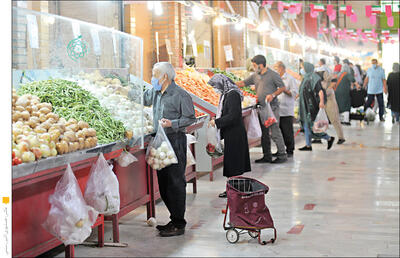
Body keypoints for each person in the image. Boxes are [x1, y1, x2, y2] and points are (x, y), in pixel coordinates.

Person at [140, 62, 196, 237]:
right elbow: (142, 99)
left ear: (165, 76)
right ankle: (173, 219)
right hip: (160, 141)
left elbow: (190, 119)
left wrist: (173, 123)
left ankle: (179, 223)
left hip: (175, 140)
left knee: (176, 182)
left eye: (155, 73)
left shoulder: (181, 95)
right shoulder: (155, 92)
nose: (152, 77)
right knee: (163, 182)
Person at [236, 55, 288, 163]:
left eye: (255, 65)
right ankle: (267, 155)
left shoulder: (273, 75)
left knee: (275, 131)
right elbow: (243, 83)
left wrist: (273, 95)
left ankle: (282, 154)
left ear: (260, 65)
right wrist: (229, 84)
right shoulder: (255, 75)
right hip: (261, 108)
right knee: (264, 133)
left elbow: (282, 87)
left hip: (272, 108)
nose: (254, 68)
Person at [208, 74, 251, 198]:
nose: (215, 89)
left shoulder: (232, 95)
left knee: (234, 163)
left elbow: (233, 115)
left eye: (216, 86)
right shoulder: (226, 94)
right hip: (230, 132)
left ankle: (234, 190)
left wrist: (216, 122)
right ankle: (232, 189)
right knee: (231, 163)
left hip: (234, 133)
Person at [298, 62, 335, 151]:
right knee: (307, 125)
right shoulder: (306, 77)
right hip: (305, 105)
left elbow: (320, 91)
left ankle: (328, 138)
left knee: (312, 126)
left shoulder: (314, 78)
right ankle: (308, 145)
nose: (302, 69)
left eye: (302, 67)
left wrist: (322, 102)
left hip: (311, 106)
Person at [273, 61, 298, 157]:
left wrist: (284, 90)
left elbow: (294, 93)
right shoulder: (275, 78)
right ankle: (281, 149)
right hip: (277, 109)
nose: (276, 70)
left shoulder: (290, 79)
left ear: (282, 68)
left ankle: (290, 150)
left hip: (287, 109)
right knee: (279, 131)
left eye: (277, 68)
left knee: (287, 131)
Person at [321, 72, 346, 144]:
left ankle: (341, 137)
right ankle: (318, 137)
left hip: (330, 104)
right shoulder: (322, 82)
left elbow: (325, 93)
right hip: (323, 103)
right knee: (320, 120)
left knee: (335, 120)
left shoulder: (329, 85)